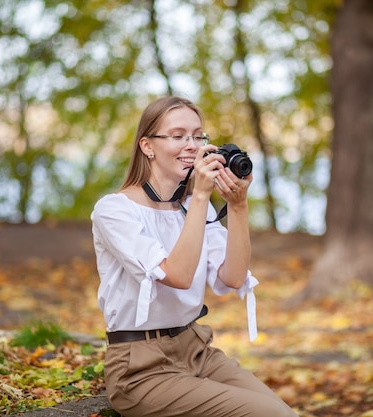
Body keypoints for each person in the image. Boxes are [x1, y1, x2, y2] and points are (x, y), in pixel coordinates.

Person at [90, 96, 298, 417]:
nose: (192, 146)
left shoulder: (190, 207)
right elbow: (177, 276)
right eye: (178, 136)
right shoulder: (115, 210)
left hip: (197, 350)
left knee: (283, 412)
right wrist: (200, 194)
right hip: (141, 369)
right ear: (148, 146)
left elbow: (233, 277)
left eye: (198, 136)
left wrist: (238, 206)